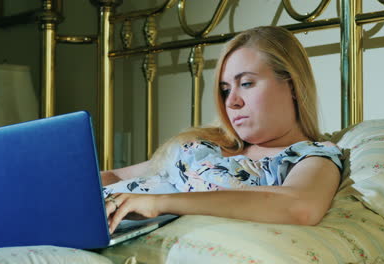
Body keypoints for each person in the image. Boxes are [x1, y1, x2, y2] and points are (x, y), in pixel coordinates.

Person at [101, 26, 343, 234]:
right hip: (87, 218)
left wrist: (158, 203)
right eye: (226, 89)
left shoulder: (309, 156)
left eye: (246, 83)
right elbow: (120, 176)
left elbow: (298, 207)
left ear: (292, 85)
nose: (231, 101)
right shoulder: (206, 144)